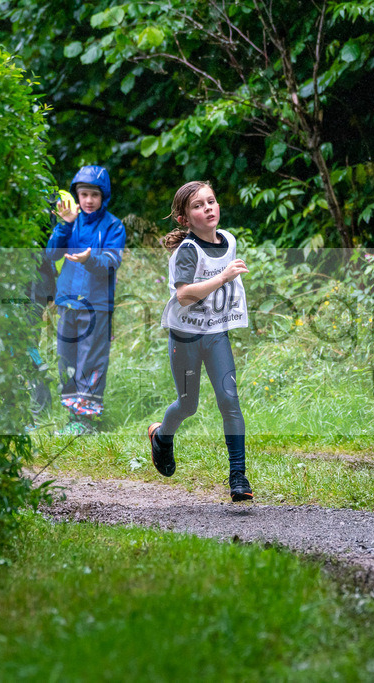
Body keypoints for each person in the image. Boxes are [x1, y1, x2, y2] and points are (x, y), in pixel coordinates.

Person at [148, 181, 253, 502]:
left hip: (216, 334)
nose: (208, 208)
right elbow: (183, 295)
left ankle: (238, 477)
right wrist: (222, 278)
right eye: (198, 205)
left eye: (211, 201)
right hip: (185, 337)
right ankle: (161, 437)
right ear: (184, 219)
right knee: (188, 405)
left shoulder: (229, 240)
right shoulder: (187, 251)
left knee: (229, 401)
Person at [46, 165, 126, 435]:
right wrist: (65, 224)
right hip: (67, 302)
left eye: (94, 194)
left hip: (97, 304)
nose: (89, 200)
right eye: (84, 194)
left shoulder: (114, 226)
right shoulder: (70, 221)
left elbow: (111, 262)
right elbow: (52, 254)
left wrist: (89, 259)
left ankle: (87, 421)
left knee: (91, 360)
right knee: (66, 359)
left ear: (104, 196)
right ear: (76, 196)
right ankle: (73, 417)